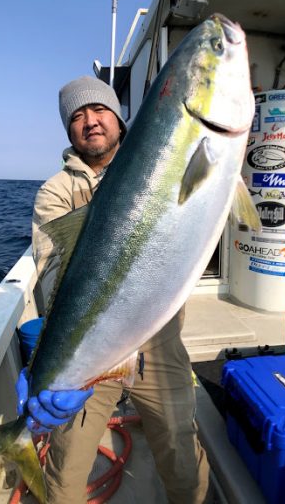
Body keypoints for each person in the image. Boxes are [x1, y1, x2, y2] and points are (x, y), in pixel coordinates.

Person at [17, 75, 212, 503]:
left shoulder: (163, 163)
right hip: (90, 355)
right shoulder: (56, 192)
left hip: (159, 345)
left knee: (181, 452)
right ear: (69, 130)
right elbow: (52, 273)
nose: (90, 121)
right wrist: (44, 366)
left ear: (121, 120)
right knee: (67, 468)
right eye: (77, 116)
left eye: (100, 110)